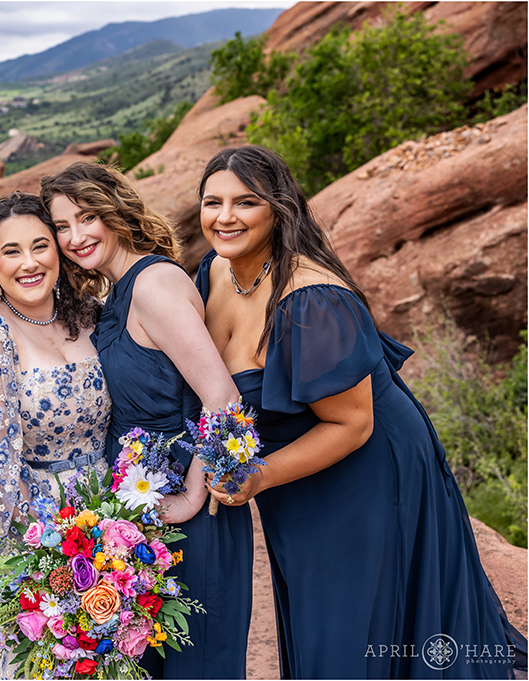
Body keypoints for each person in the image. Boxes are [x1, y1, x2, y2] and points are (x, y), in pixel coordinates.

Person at [194, 144, 528, 678]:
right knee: (316, 610)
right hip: (299, 473)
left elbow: (353, 422)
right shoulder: (215, 271)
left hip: (365, 464)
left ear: (278, 210)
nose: (225, 217)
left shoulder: (310, 299)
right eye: (213, 202)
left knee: (353, 623)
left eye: (246, 202)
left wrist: (258, 475)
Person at [41, 161, 252, 680]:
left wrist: (193, 495)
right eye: (61, 227)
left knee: (195, 663)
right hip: (141, 505)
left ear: (113, 208)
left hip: (187, 510)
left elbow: (222, 398)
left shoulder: (154, 284)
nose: (74, 237)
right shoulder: (114, 291)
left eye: (86, 217)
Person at [0, 192, 111, 679]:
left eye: (40, 246)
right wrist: (52, 554)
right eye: (11, 251)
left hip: (104, 515)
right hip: (27, 536)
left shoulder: (88, 318)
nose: (29, 263)